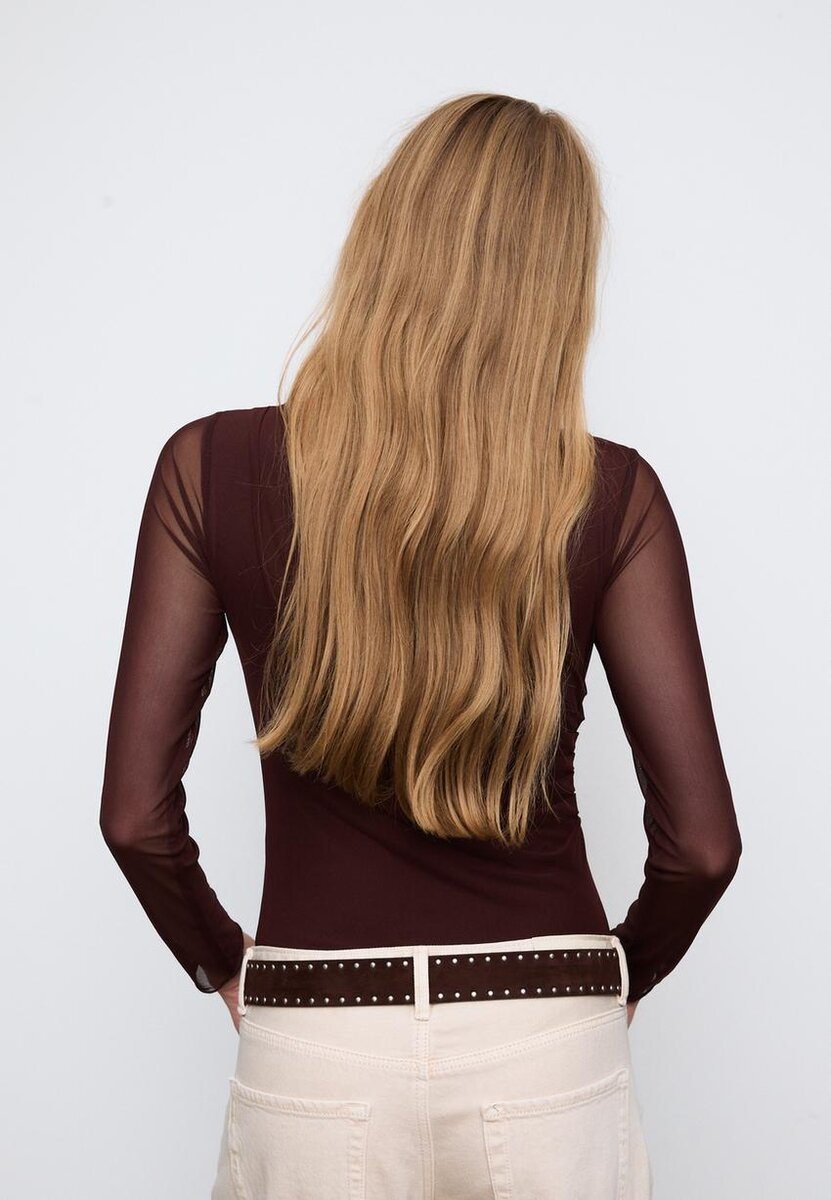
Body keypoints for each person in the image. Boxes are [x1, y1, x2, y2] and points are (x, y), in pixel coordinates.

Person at [99, 91, 742, 1199]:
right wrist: (609, 980)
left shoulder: (208, 468)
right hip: (547, 1036)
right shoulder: (614, 495)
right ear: (557, 290)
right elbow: (704, 848)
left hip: (316, 1038)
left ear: (383, 234)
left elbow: (134, 818)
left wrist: (223, 961)